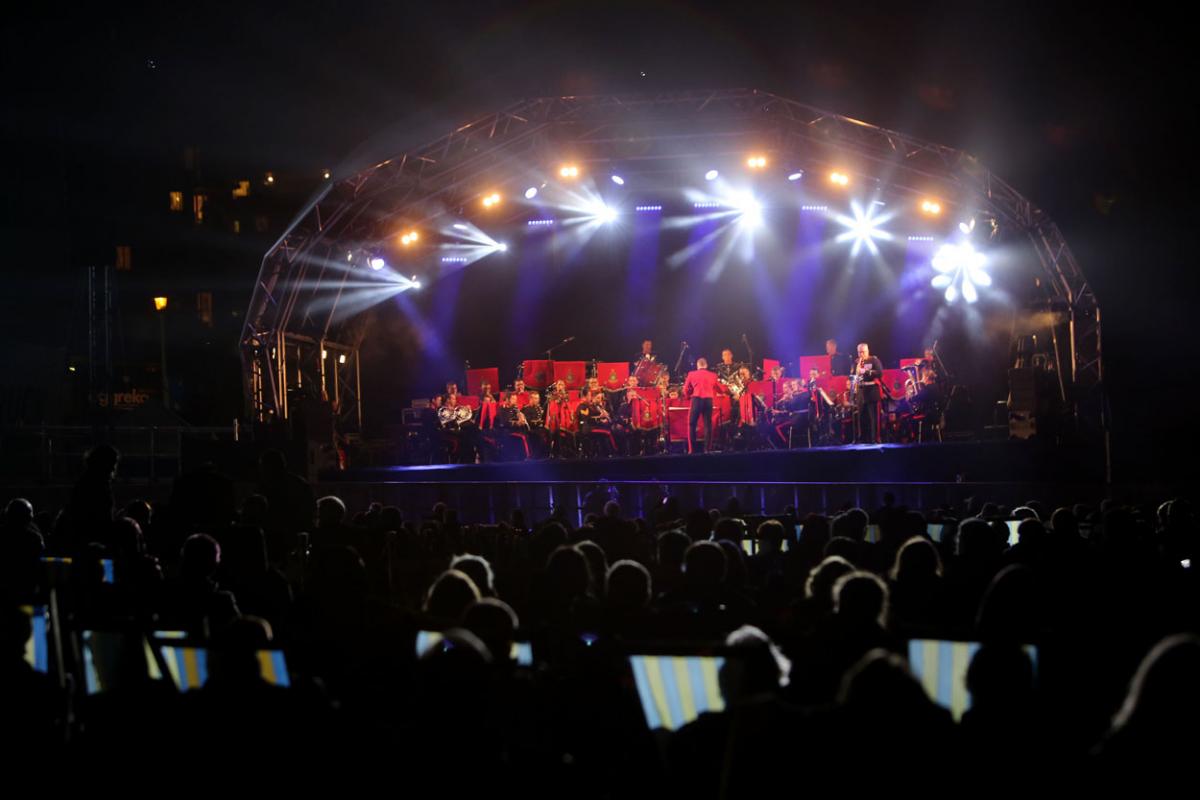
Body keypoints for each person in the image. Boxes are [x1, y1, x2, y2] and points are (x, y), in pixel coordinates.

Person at [684, 357, 719, 454]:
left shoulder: (691, 374)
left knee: (692, 424)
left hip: (696, 399)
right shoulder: (713, 375)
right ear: (706, 365)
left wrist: (688, 396)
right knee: (708, 425)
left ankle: (692, 450)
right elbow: (720, 388)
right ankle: (707, 450)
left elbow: (685, 389)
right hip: (708, 400)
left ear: (697, 365)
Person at [853, 343, 884, 443]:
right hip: (861, 392)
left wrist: (865, 371)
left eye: (863, 352)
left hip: (871, 391)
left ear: (868, 351)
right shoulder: (856, 362)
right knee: (861, 418)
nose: (861, 354)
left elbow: (880, 373)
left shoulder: (874, 360)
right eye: (859, 352)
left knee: (872, 418)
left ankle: (874, 439)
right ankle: (862, 439)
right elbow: (854, 376)